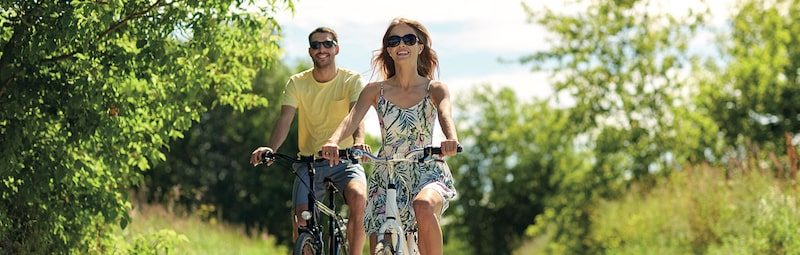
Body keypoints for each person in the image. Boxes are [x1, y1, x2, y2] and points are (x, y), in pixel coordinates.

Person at [321, 18, 459, 255]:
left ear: (420, 47)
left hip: (425, 168)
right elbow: (351, 119)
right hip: (388, 172)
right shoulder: (376, 90)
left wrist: (450, 139)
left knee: (423, 206)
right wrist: (333, 141)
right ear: (388, 49)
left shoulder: (434, 88)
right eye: (394, 41)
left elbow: (445, 114)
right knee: (380, 242)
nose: (401, 45)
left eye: (409, 39)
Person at [249, 27, 368, 254]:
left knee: (359, 199)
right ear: (310, 51)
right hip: (309, 163)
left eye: (327, 44)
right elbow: (285, 120)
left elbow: (356, 116)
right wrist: (270, 148)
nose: (321, 49)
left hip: (345, 161)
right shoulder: (297, 83)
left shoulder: (351, 80)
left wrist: (358, 142)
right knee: (301, 223)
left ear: (336, 48)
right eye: (316, 45)